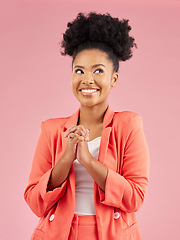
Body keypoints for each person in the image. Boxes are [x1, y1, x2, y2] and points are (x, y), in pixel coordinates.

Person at [24, 12, 149, 240]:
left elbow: (135, 198)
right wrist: (66, 158)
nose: (87, 79)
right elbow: (35, 202)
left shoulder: (129, 125)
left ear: (114, 78)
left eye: (98, 70)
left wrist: (89, 161)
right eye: (79, 71)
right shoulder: (51, 130)